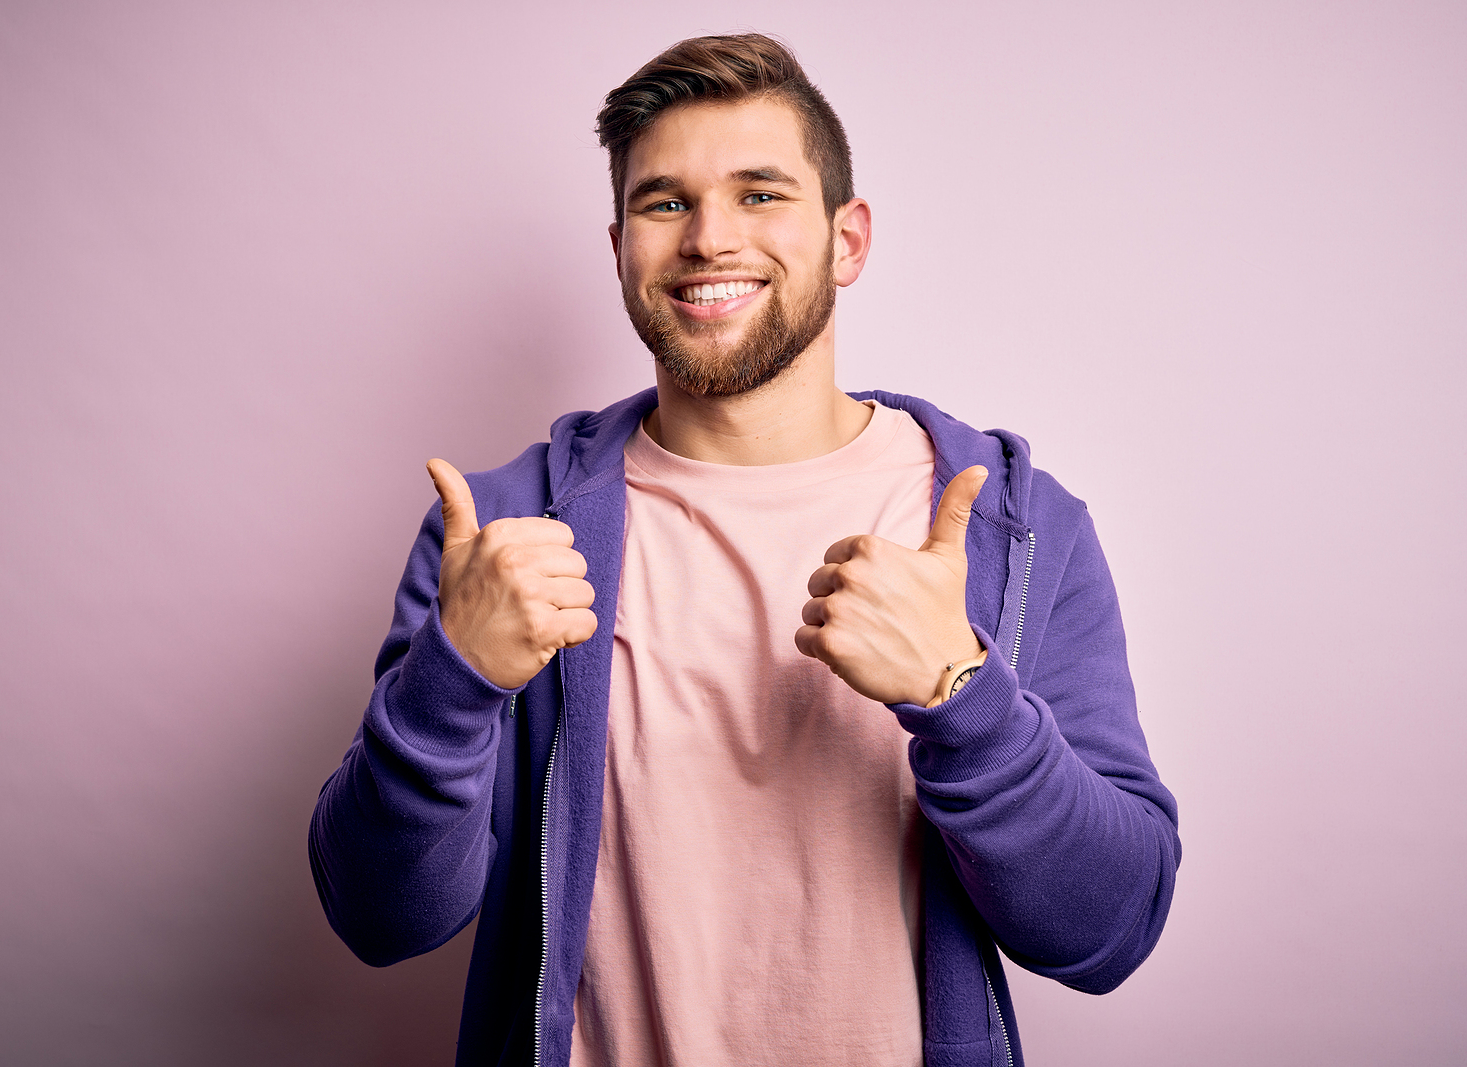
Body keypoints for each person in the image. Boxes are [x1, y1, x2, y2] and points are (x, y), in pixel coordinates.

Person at [310, 33, 1179, 1067]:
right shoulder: (502, 535)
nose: (709, 238)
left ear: (847, 239)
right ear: (620, 244)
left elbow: (1108, 928)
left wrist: (960, 693)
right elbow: (380, 915)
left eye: (760, 194)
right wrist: (453, 683)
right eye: (664, 202)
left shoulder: (1008, 526)